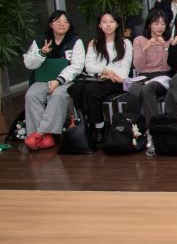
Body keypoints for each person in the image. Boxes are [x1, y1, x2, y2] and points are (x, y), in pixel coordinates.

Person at [22, 11, 86, 151]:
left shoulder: (75, 41)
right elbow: (28, 63)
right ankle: (44, 138)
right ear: (51, 24)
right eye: (58, 21)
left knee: (58, 95)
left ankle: (39, 134)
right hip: (43, 80)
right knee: (31, 94)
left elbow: (77, 66)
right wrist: (42, 53)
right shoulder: (40, 40)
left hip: (67, 81)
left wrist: (59, 80)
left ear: (69, 25)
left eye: (65, 21)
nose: (62, 24)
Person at [68, 13, 133, 144]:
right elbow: (89, 66)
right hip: (99, 78)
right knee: (76, 88)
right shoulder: (94, 43)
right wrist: (104, 70)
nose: (108, 25)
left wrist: (110, 73)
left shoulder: (125, 43)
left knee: (91, 90)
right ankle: (89, 123)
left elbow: (125, 68)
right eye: (104, 22)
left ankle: (98, 127)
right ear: (99, 25)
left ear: (117, 24)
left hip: (117, 80)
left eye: (112, 21)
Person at [124, 10, 172, 125]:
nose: (160, 27)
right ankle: (131, 127)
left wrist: (165, 48)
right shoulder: (139, 40)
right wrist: (145, 49)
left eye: (163, 23)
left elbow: (167, 67)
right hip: (143, 76)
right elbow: (138, 67)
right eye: (156, 23)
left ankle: (153, 127)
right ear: (149, 24)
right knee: (135, 91)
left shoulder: (169, 40)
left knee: (147, 89)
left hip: (162, 76)